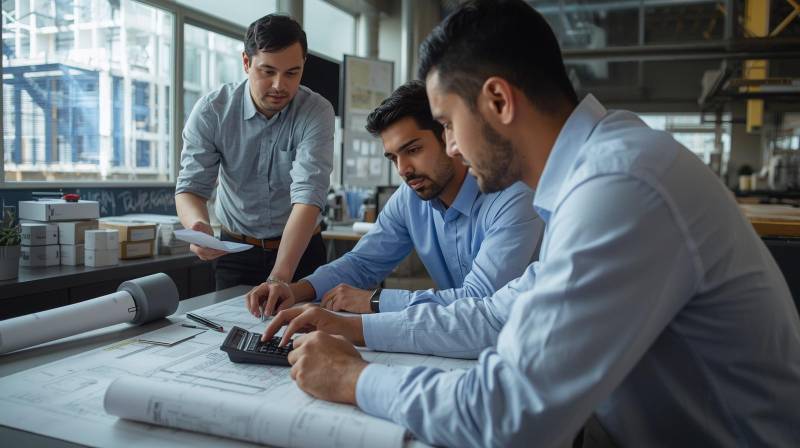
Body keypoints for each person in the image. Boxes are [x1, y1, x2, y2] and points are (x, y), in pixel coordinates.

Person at [262, 1, 800, 446]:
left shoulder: (619, 186)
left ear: (497, 100)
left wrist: (354, 378)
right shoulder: (598, 171)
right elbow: (496, 316)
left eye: (448, 124)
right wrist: (353, 328)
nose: (450, 146)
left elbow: (509, 419)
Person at [245, 80, 542, 317]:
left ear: (449, 137)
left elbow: (479, 299)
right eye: (393, 157)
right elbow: (362, 264)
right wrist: (296, 290)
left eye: (413, 150)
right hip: (459, 337)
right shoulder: (409, 198)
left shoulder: (512, 196)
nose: (403, 170)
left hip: (529, 344)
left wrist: (376, 301)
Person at [176, 14, 334, 290]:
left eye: (291, 73)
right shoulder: (213, 111)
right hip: (235, 252)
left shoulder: (316, 111)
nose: (279, 86)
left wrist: (278, 277)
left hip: (301, 252)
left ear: (303, 65)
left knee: (304, 331)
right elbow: (190, 188)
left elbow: (309, 196)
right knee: (227, 331)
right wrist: (198, 226)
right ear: (247, 63)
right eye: (268, 71)